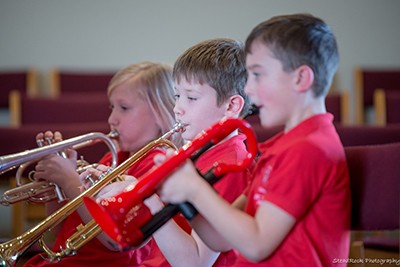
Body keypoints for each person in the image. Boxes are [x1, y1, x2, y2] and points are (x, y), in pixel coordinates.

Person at [157, 13, 351, 267]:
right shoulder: (283, 146)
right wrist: (181, 194)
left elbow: (257, 245)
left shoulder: (310, 149)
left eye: (258, 75)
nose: (248, 89)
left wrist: (194, 188)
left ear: (301, 78)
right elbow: (220, 239)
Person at [23, 62, 183, 267]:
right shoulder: (113, 158)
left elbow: (114, 240)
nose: (111, 119)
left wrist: (71, 182)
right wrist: (57, 185)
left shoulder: (157, 165)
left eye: (124, 108)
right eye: (112, 107)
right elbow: (58, 232)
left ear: (161, 115)